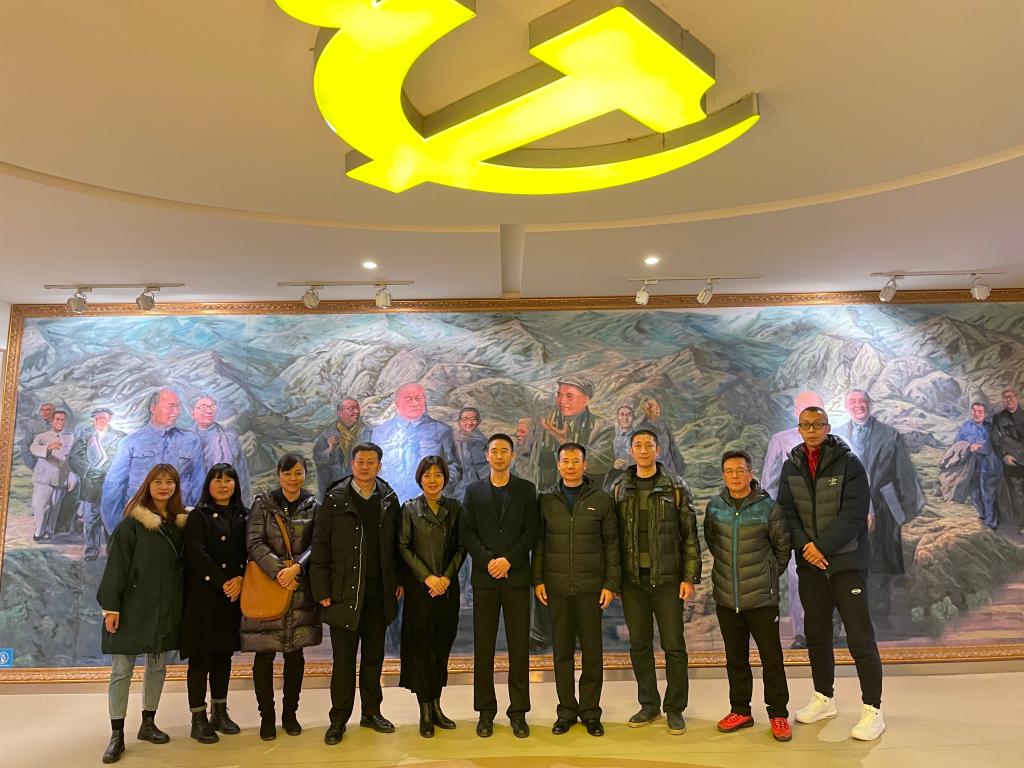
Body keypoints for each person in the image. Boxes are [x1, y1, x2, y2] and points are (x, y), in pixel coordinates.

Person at [776, 405, 885, 741]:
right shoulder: (792, 465)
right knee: (817, 635)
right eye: (805, 425)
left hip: (847, 564)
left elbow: (854, 515)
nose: (811, 430)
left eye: (817, 424)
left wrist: (820, 547)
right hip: (811, 566)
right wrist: (806, 547)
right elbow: (786, 512)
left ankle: (872, 709)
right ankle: (824, 698)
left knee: (860, 638)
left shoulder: (849, 463)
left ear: (827, 427)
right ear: (799, 428)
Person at [95, 464, 189, 764]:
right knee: (121, 670)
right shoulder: (131, 525)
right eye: (158, 481)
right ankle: (117, 734)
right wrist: (111, 608)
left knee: (158, 667)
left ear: (176, 487)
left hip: (166, 608)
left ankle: (148, 723)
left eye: (170, 482)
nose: (164, 487)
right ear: (148, 485)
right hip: (131, 608)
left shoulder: (181, 526)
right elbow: (116, 568)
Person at [312, 442, 403, 745]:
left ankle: (371, 713)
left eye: (371, 462)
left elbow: (397, 545)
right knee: (344, 661)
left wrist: (398, 580)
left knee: (374, 658)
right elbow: (320, 545)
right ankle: (338, 720)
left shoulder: (388, 499)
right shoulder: (335, 499)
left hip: (379, 592)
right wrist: (321, 588)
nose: (365, 467)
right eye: (360, 461)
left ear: (379, 465)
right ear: (352, 464)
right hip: (344, 592)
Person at [611, 428, 700, 736]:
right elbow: (611, 539)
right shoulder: (619, 488)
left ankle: (675, 708)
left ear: (658, 450)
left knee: (674, 646)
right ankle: (649, 705)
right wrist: (614, 579)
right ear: (631, 451)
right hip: (632, 582)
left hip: (668, 580)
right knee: (639, 646)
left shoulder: (675, 486)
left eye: (649, 445)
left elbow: (690, 535)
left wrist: (689, 577)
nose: (643, 450)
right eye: (637, 445)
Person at [703, 450, 792, 742]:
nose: (735, 476)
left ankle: (778, 713)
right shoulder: (715, 508)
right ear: (723, 475)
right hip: (727, 599)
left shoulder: (769, 508)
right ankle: (740, 710)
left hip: (762, 600)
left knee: (772, 659)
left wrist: (766, 576)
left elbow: (782, 549)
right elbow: (714, 543)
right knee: (735, 659)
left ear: (750, 473)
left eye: (740, 470)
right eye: (729, 471)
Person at [533, 442, 619, 737]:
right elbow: (539, 543)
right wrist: (538, 579)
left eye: (575, 461)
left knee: (592, 654)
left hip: (591, 588)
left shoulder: (601, 500)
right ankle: (566, 712)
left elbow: (612, 544)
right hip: (556, 588)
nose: (570, 466)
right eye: (565, 461)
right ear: (558, 465)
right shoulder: (546, 500)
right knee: (562, 654)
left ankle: (591, 713)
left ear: (585, 465)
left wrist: (610, 584)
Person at [461, 433, 540, 739]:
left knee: (519, 648)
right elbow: (468, 532)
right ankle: (485, 712)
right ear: (487, 455)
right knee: (484, 648)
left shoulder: (526, 490)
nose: (498, 455)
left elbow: (531, 531)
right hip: (485, 580)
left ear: (512, 456)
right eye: (494, 451)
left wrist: (509, 560)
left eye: (504, 451)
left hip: (516, 578)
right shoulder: (473, 491)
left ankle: (518, 712)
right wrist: (489, 561)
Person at [240, 453, 322, 741]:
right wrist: (279, 571)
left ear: (305, 474)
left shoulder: (313, 506)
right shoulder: (263, 504)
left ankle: (290, 714)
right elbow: (254, 542)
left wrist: (296, 568)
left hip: (299, 587)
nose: (293, 478)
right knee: (264, 654)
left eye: (298, 473)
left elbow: (318, 543)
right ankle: (267, 716)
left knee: (295, 655)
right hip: (268, 585)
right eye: (287, 473)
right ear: (279, 475)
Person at [841, 389, 925, 621]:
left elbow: (904, 473)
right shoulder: (836, 435)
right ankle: (851, 614)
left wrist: (904, 511)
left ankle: (879, 616)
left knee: (879, 561)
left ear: (869, 404)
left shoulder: (889, 435)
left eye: (862, 401)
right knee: (848, 561)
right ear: (846, 407)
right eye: (852, 401)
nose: (858, 405)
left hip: (883, 506)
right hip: (846, 508)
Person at [398, 455, 466, 737]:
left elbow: (461, 547)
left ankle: (437, 705)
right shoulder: (409, 509)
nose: (433, 480)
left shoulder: (456, 508)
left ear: (445, 479)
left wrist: (446, 577)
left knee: (441, 647)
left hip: (447, 589)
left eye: (438, 475)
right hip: (420, 589)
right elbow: (403, 546)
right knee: (421, 648)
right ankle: (425, 710)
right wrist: (428, 577)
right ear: (420, 479)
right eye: (427, 475)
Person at [180, 464, 248, 744]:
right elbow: (197, 554)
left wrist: (241, 578)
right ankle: (198, 719)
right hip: (204, 595)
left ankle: (220, 712)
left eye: (229, 480)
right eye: (218, 480)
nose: (223, 485)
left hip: (233, 596)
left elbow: (250, 552)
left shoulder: (244, 515)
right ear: (208, 484)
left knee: (223, 656)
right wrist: (224, 582)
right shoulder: (199, 516)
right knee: (200, 658)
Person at [761, 391, 825, 649]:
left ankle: (830, 629)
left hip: (829, 521)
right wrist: (770, 519)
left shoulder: (837, 441)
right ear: (796, 412)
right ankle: (802, 632)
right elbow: (769, 482)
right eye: (804, 408)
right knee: (798, 576)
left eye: (816, 407)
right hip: (794, 521)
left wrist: (868, 510)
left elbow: (855, 479)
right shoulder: (781, 440)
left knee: (833, 574)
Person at [101, 389, 205, 535]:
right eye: (170, 406)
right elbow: (114, 486)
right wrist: (116, 529)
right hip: (139, 526)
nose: (176, 412)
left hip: (179, 525)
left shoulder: (191, 440)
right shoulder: (130, 442)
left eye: (177, 406)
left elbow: (199, 483)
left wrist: (189, 518)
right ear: (153, 408)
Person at [371, 383, 461, 503]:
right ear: (397, 405)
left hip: (428, 504)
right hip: (388, 504)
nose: (415, 403)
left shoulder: (441, 430)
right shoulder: (380, 432)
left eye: (418, 398)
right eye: (408, 399)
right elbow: (372, 470)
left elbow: (454, 468)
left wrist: (436, 492)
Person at [535, 375, 614, 490]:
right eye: (559, 395)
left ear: (585, 400)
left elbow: (601, 463)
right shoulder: (547, 421)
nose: (562, 401)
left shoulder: (602, 427)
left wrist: (565, 441)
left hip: (586, 493)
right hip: (551, 493)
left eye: (569, 396)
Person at [70, 407, 126, 560]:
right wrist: (88, 470)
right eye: (96, 418)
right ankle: (92, 550)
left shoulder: (120, 436)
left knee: (112, 517)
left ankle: (113, 549)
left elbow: (123, 459)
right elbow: (74, 458)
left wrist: (104, 471)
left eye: (103, 418)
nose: (99, 421)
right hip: (91, 484)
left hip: (112, 484)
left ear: (109, 419)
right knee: (91, 518)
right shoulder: (85, 435)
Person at [191, 393, 252, 505]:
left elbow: (241, 475)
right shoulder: (185, 439)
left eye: (213, 407)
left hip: (227, 503)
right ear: (192, 413)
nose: (209, 411)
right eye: (203, 407)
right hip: (195, 503)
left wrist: (244, 506)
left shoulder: (230, 437)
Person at [28, 408, 74, 541]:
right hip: (44, 477)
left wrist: (72, 476)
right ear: (52, 421)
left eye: (63, 420)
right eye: (57, 419)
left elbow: (73, 458)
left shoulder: (71, 437)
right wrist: (47, 448)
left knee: (55, 507)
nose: (60, 422)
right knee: (40, 506)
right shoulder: (42, 436)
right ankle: (39, 530)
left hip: (61, 477)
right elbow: (33, 448)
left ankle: (49, 530)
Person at [312, 398, 372, 500]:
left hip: (359, 489)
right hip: (333, 491)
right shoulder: (328, 434)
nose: (357, 411)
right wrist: (330, 450)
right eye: (352, 408)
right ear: (340, 413)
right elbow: (318, 459)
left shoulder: (367, 432)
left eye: (357, 408)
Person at [953, 403, 999, 529]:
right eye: (974, 411)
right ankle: (982, 515)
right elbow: (958, 443)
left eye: (980, 412)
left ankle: (991, 521)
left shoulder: (990, 428)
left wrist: (979, 447)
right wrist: (969, 446)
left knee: (988, 492)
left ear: (985, 414)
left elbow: (995, 444)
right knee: (974, 491)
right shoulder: (965, 426)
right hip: (971, 464)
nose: (976, 414)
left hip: (988, 464)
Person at [992, 388, 1024, 533]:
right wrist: (1004, 455)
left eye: (1010, 396)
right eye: (1005, 397)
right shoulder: (998, 418)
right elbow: (995, 440)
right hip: (1012, 462)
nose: (1008, 399)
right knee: (1017, 494)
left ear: (1016, 397)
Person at [634, 397, 684, 478]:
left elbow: (672, 446)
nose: (658, 408)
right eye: (654, 406)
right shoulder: (640, 428)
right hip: (653, 471)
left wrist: (679, 467)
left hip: (670, 468)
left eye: (658, 406)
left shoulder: (664, 425)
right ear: (647, 409)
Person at [452, 406, 490, 499]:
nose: (469, 423)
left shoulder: (483, 442)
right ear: (459, 421)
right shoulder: (452, 439)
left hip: (479, 488)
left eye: (473, 419)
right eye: (465, 419)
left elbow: (486, 469)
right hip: (456, 488)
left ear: (478, 422)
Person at [604, 404, 634, 491]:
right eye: (622, 415)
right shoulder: (611, 436)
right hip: (611, 474)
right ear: (617, 417)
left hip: (631, 475)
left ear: (633, 418)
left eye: (629, 415)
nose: (625, 418)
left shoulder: (637, 437)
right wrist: (612, 464)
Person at [20, 401, 55, 469]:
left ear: (54, 411)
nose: (44, 412)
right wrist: (32, 465)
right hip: (38, 464)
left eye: (47, 410)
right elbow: (25, 446)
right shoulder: (33, 426)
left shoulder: (59, 426)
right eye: (42, 410)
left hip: (56, 464)